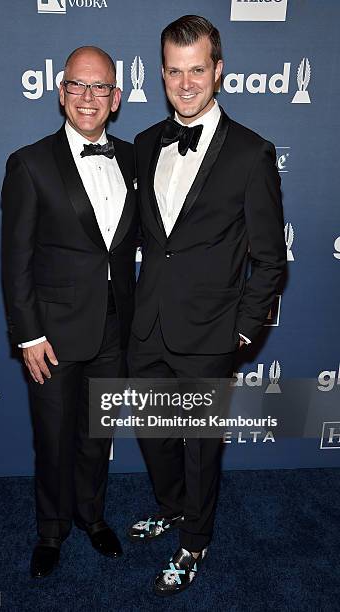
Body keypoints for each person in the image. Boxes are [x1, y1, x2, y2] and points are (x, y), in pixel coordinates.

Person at [127, 15, 286, 596]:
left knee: (199, 449)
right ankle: (173, 509)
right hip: (148, 329)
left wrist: (242, 333)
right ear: (161, 72)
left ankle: (196, 540)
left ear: (218, 70)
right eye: (175, 71)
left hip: (212, 333)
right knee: (155, 435)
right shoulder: (145, 144)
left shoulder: (251, 153)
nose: (186, 83)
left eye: (198, 70)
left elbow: (271, 258)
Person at [1, 46, 138, 579]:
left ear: (116, 98)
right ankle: (51, 530)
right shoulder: (30, 162)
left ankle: (92, 516)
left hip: (115, 327)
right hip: (53, 334)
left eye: (99, 86)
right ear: (60, 93)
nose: (88, 97)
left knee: (97, 434)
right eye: (77, 85)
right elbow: (16, 260)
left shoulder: (133, 158)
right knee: (54, 438)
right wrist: (28, 334)